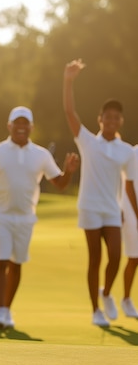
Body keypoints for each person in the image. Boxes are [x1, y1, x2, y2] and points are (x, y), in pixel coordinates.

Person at [0, 106, 79, 330]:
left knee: (16, 264)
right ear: (9, 126)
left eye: (24, 123)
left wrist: (69, 172)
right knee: (1, 262)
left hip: (26, 218)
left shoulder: (41, 155)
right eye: (16, 123)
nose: (20, 127)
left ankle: (7, 309)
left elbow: (60, 184)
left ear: (31, 127)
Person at [63, 58, 138, 327]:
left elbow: (128, 184)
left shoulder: (127, 151)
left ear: (121, 121)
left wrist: (129, 212)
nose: (112, 121)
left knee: (116, 256)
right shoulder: (87, 142)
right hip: (89, 207)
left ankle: (106, 292)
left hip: (110, 208)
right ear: (100, 120)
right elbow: (71, 114)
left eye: (116, 117)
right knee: (95, 258)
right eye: (107, 117)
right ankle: (96, 309)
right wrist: (69, 81)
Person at [121, 145, 138, 319]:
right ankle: (126, 299)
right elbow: (126, 186)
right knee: (134, 258)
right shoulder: (131, 153)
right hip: (131, 213)